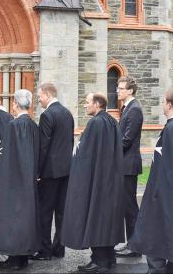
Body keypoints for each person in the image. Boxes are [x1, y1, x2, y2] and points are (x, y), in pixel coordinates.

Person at [129, 90, 173, 273]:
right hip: (171, 190)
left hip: (165, 191)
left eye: (163, 102)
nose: (161, 105)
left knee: (155, 230)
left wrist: (160, 191)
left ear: (169, 105)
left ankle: (157, 269)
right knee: (170, 231)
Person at [61, 92, 124, 272]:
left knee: (96, 217)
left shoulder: (96, 123)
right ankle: (108, 257)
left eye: (87, 102)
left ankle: (100, 260)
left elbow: (86, 155)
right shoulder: (111, 121)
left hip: (97, 179)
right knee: (105, 219)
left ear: (97, 104)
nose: (85, 105)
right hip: (109, 178)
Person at [0, 89, 41, 270]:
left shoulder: (15, 125)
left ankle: (15, 258)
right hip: (27, 177)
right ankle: (22, 256)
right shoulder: (32, 125)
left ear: (15, 104)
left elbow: (7, 153)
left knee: (14, 217)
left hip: (14, 178)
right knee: (25, 216)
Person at [31, 83, 74, 261]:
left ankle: (45, 250)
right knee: (61, 211)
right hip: (66, 169)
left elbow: (43, 146)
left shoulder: (48, 115)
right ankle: (59, 248)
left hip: (49, 171)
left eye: (40, 96)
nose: (38, 100)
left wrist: (38, 171)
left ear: (48, 95)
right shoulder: (67, 113)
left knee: (45, 211)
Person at [114, 76, 144, 258]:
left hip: (129, 164)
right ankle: (131, 242)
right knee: (127, 206)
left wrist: (110, 149)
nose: (117, 90)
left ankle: (135, 245)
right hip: (124, 164)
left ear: (130, 90)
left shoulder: (134, 109)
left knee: (130, 206)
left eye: (121, 88)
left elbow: (127, 139)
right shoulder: (127, 108)